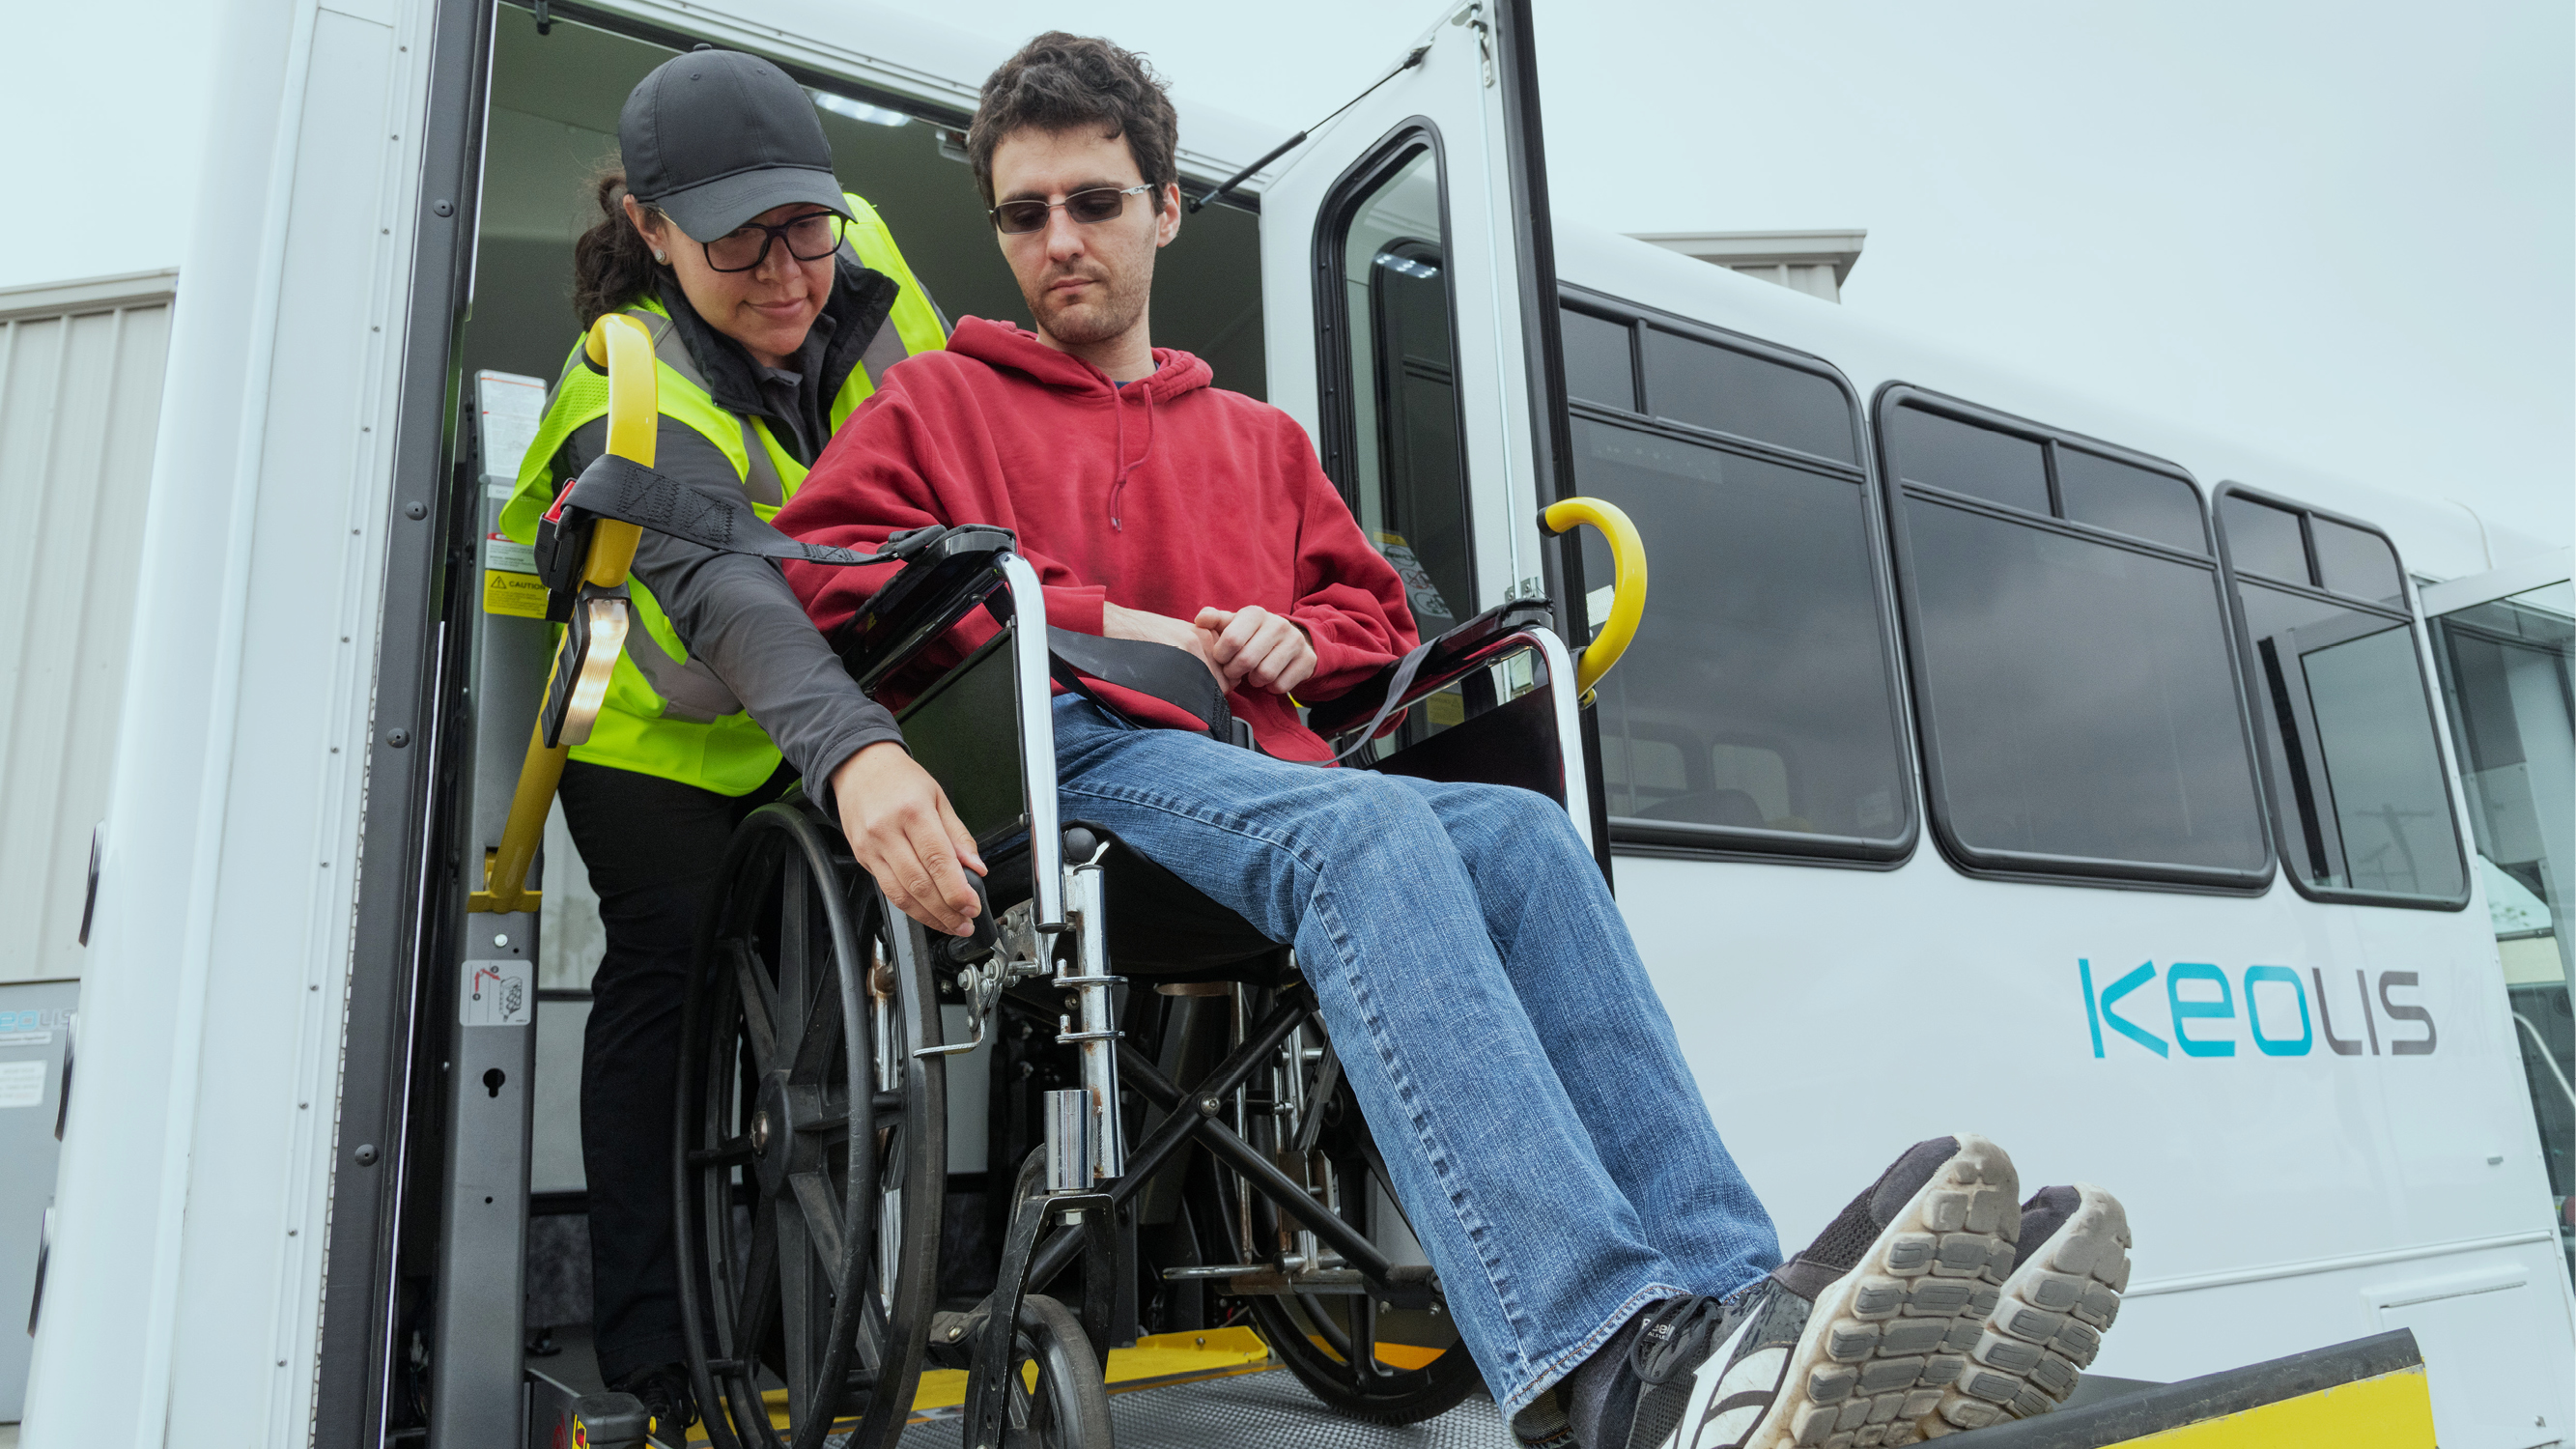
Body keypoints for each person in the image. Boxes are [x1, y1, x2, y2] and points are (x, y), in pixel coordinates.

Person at [645, 34, 2137, 1449]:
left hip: (1264, 774)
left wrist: (1305, 639)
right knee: (1372, 832)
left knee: (1523, 837)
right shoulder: (936, 400)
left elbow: (1371, 616)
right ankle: (1608, 1362)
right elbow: (826, 570)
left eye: (1095, 203)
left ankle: (1736, 1312)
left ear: (1165, 207)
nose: (1060, 243)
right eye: (1025, 214)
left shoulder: (1262, 442)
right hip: (1074, 762)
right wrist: (1117, 618)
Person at [495, 46, 945, 1435]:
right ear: (648, 227)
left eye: (802, 224)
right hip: (657, 738)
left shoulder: (860, 252)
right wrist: (857, 753)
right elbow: (736, 604)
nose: (788, 270)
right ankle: (659, 1344)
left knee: (817, 1029)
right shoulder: (615, 393)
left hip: (820, 712)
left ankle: (813, 1324)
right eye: (738, 239)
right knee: (677, 983)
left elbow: (958, 447)